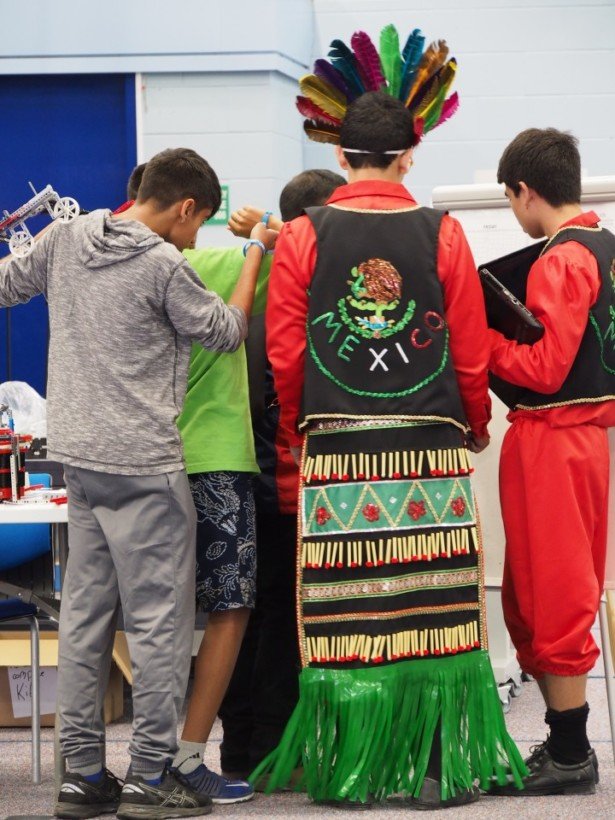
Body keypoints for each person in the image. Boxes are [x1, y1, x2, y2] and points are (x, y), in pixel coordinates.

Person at [258, 52, 526, 806]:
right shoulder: (443, 234)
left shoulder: (302, 236)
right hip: (428, 444)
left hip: (338, 447)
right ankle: (437, 768)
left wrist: (300, 430)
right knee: (432, 600)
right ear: (410, 154)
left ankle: (352, 772)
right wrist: (474, 422)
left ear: (340, 155)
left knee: (349, 605)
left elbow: (286, 351)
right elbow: (467, 347)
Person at [0, 147, 274, 820]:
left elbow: (6, 285)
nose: (195, 235)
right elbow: (226, 332)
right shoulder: (162, 265)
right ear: (185, 207)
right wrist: (253, 256)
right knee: (158, 626)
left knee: (84, 619)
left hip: (79, 462)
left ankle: (82, 776)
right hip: (147, 468)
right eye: (199, 222)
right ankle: (150, 777)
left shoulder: (64, 237)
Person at [487, 128, 615, 797]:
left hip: (552, 440)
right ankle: (564, 744)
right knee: (543, 590)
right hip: (585, 441)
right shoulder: (607, 248)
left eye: (510, 200)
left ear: (524, 191)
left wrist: (478, 339)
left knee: (552, 593)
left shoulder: (560, 258)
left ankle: (570, 753)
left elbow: (543, 368)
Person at [217, 169, 346, 783]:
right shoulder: (300, 287)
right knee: (279, 615)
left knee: (249, 613)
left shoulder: (255, 273)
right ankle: (270, 752)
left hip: (247, 471)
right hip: (284, 476)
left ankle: (245, 750)